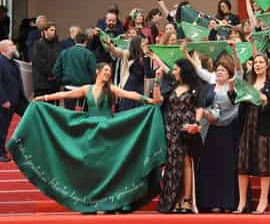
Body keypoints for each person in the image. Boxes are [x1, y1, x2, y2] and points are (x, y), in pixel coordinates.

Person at [8, 63, 165, 213]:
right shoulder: (86, 89)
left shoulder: (111, 88)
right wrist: (44, 98)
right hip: (90, 133)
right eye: (105, 70)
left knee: (108, 169)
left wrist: (149, 101)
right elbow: (65, 94)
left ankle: (111, 203)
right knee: (91, 169)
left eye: (109, 71)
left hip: (109, 132)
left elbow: (131, 94)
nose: (108, 73)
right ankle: (90, 202)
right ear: (97, 71)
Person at [183, 42, 241, 213]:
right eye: (218, 70)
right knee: (210, 166)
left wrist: (235, 50)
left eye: (223, 70)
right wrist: (186, 54)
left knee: (226, 167)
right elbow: (199, 69)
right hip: (210, 131)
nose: (220, 72)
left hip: (228, 130)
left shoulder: (234, 83)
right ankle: (210, 202)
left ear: (229, 73)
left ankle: (227, 203)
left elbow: (238, 68)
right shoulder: (212, 81)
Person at [227, 53, 270, 214]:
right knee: (243, 165)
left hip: (264, 127)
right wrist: (231, 88)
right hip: (247, 127)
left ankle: (263, 200)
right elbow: (235, 100)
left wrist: (266, 101)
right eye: (255, 62)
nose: (257, 65)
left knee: (264, 165)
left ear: (267, 65)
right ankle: (242, 202)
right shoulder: (248, 83)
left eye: (261, 62)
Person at [157, 58, 206, 213]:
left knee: (186, 161)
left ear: (184, 70)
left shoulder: (195, 87)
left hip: (186, 129)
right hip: (170, 128)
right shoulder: (172, 85)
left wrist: (196, 124)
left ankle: (187, 200)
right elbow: (157, 100)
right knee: (172, 163)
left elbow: (199, 108)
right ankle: (174, 200)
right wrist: (157, 82)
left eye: (176, 69)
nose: (174, 71)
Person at [0, 40, 28, 162]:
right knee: (3, 127)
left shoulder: (13, 62)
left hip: (18, 99)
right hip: (6, 101)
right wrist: (3, 100)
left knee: (30, 116)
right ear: (4, 49)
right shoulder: (0, 62)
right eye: (11, 45)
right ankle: (0, 152)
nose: (14, 47)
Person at [53, 32, 96, 110]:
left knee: (69, 114)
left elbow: (56, 71)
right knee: (85, 114)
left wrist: (62, 82)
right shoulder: (89, 54)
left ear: (74, 41)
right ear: (86, 41)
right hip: (85, 88)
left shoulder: (64, 52)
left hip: (68, 87)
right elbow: (93, 73)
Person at [32, 22, 60, 103]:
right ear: (45, 31)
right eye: (51, 30)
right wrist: (52, 73)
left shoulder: (56, 45)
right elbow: (39, 63)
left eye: (54, 30)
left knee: (52, 109)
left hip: (54, 84)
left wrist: (56, 74)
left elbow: (59, 60)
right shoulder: (38, 44)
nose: (54, 32)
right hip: (42, 83)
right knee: (41, 108)